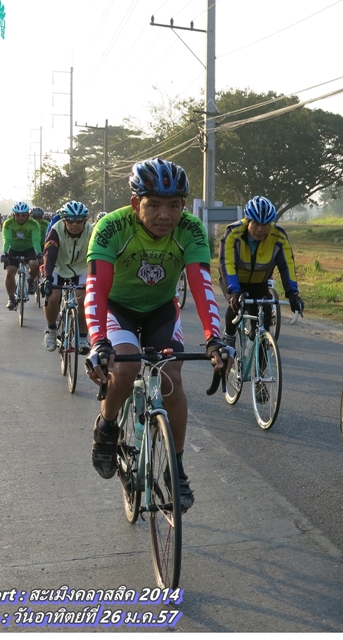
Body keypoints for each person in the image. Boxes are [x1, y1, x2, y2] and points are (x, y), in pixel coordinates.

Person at [84, 158, 232, 511]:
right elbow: (96, 288)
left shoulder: (191, 229)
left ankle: (175, 468)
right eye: (154, 205)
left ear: (183, 205)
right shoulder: (111, 227)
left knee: (171, 377)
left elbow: (202, 287)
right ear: (136, 203)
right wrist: (98, 342)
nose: (165, 215)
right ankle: (107, 427)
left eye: (174, 205)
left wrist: (214, 337)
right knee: (125, 368)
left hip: (161, 310)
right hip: (117, 308)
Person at [218, 195, 304, 354]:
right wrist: (234, 292)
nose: (260, 229)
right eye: (256, 224)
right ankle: (229, 337)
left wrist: (293, 294)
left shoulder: (278, 236)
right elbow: (226, 263)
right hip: (234, 280)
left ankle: (258, 354)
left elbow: (287, 266)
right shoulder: (233, 233)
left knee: (264, 322)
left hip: (259, 283)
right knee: (236, 308)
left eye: (265, 224)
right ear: (247, 221)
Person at [40, 201, 93, 354]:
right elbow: (49, 255)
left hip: (81, 268)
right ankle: (51, 330)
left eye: (79, 220)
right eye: (70, 220)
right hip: (58, 267)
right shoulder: (56, 230)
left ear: (85, 220)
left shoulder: (92, 231)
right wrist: (47, 278)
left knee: (84, 300)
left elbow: (97, 255)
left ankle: (82, 337)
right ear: (64, 220)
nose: (74, 224)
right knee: (53, 297)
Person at [1, 201, 42, 310]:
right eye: (18, 215)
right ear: (13, 215)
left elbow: (36, 240)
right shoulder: (8, 223)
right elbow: (7, 240)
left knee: (35, 264)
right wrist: (5, 253)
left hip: (29, 249)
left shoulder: (34, 224)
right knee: (10, 272)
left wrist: (39, 253)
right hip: (14, 249)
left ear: (28, 215)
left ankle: (31, 280)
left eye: (23, 215)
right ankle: (11, 298)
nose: (20, 217)